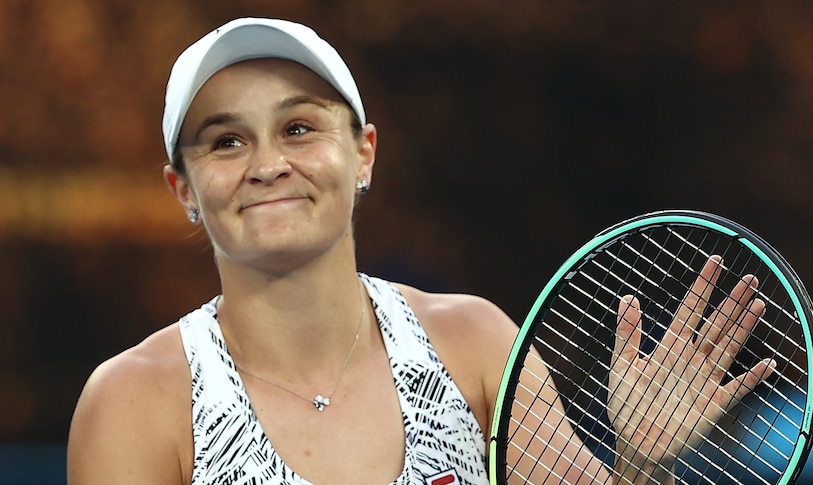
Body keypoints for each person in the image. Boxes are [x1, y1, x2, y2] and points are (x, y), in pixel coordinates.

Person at [67, 17, 774, 485]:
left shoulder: (471, 343)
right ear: (183, 188)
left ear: (364, 153)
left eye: (301, 128)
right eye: (226, 140)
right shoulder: (134, 403)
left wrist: (642, 464)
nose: (268, 163)